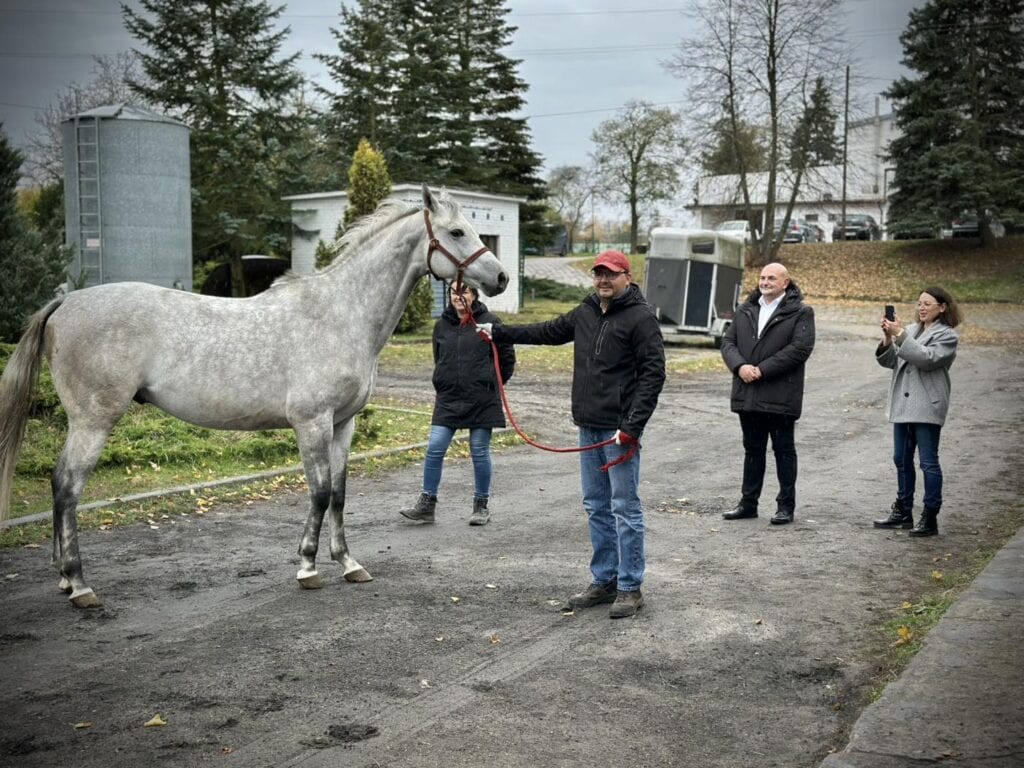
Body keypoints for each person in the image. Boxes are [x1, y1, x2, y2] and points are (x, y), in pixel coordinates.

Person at [478, 250, 665, 619]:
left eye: (610, 275)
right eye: (598, 275)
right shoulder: (586, 312)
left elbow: (653, 375)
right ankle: (604, 579)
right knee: (596, 506)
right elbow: (547, 331)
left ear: (627, 276)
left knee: (624, 508)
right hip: (588, 425)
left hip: (618, 432)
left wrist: (632, 427)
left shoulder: (641, 319)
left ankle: (630, 586)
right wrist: (498, 331)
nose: (603, 281)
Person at [399, 283, 515, 526]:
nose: (458, 296)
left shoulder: (490, 321)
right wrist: (443, 380)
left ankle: (480, 505)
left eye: (464, 291)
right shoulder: (442, 325)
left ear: (474, 295)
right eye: (453, 292)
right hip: (449, 399)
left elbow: (506, 358)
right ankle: (426, 503)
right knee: (435, 447)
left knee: (479, 449)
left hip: (481, 398)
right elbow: (438, 357)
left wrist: (491, 382)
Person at [719, 262, 815, 525]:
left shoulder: (800, 312)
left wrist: (762, 370)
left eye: (772, 278)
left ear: (785, 282)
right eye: (762, 277)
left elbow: (799, 349)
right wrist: (740, 367)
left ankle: (786, 506)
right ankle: (748, 503)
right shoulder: (746, 309)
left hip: (780, 394)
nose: (765, 282)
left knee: (784, 450)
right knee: (753, 450)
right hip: (747, 392)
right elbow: (728, 342)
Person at [872, 287, 961, 537]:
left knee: (928, 462)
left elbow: (926, 358)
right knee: (900, 459)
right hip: (902, 403)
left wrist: (900, 334)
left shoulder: (947, 336)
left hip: (927, 405)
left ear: (942, 307)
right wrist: (889, 339)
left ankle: (930, 515)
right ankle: (903, 510)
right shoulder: (910, 330)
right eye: (919, 303)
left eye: (928, 304)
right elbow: (891, 362)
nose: (921, 308)